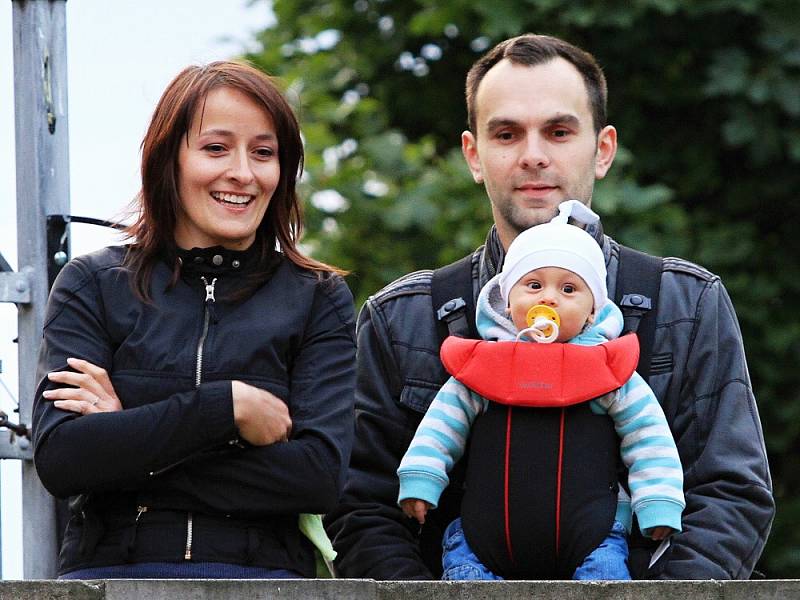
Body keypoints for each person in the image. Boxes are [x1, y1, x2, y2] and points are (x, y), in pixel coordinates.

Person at [325, 34, 774, 579]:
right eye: (507, 133)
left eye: (559, 132)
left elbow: (731, 495)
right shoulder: (403, 318)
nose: (534, 154)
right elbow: (360, 508)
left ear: (602, 149)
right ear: (474, 154)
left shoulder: (687, 303)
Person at [32, 61, 356, 579]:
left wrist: (127, 441)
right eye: (216, 148)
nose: (243, 173)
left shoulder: (319, 298)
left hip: (267, 587)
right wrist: (222, 410)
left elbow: (317, 477)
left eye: (264, 153)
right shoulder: (93, 283)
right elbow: (64, 458)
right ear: (169, 160)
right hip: (111, 583)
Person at [397, 201, 684, 580]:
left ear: (593, 311)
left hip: (594, 537)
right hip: (483, 538)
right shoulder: (482, 369)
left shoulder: (610, 373)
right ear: (507, 297)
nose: (548, 298)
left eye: (568, 288)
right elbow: (440, 428)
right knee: (463, 574)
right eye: (533, 285)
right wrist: (420, 479)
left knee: (609, 579)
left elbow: (648, 437)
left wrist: (658, 503)